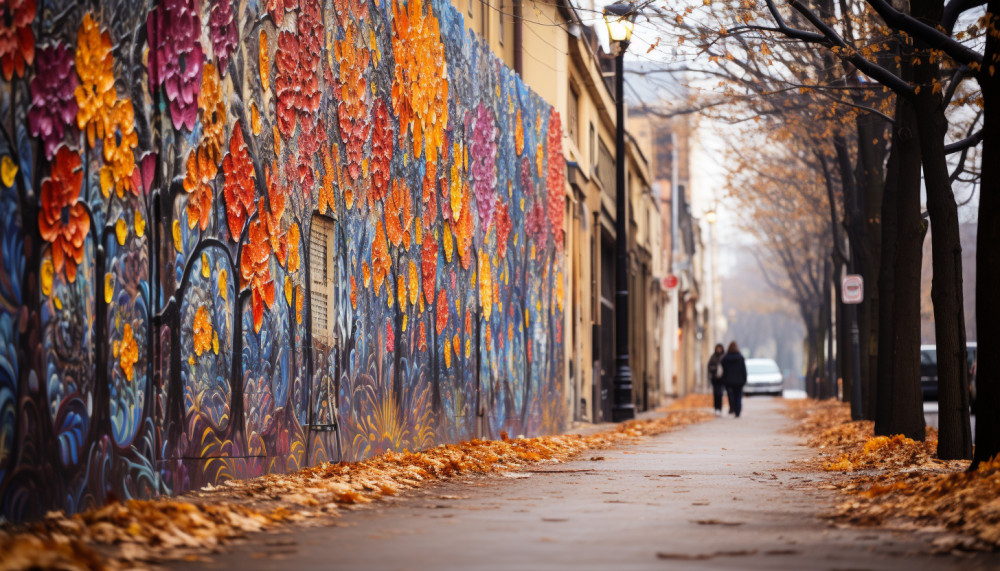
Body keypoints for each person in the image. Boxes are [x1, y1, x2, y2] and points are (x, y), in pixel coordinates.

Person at [720, 341, 748, 417]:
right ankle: (737, 411)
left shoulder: (725, 358)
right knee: (738, 396)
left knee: (731, 395)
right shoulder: (740, 357)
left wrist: (724, 379)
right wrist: (744, 379)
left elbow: (723, 369)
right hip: (739, 381)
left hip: (728, 381)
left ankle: (732, 408)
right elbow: (744, 370)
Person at [707, 344, 726, 416]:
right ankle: (716, 408)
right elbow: (709, 366)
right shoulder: (713, 357)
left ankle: (720, 408)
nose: (719, 350)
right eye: (718, 348)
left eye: (720, 348)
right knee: (715, 393)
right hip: (714, 378)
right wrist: (714, 369)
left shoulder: (724, 357)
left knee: (720, 393)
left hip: (722, 378)